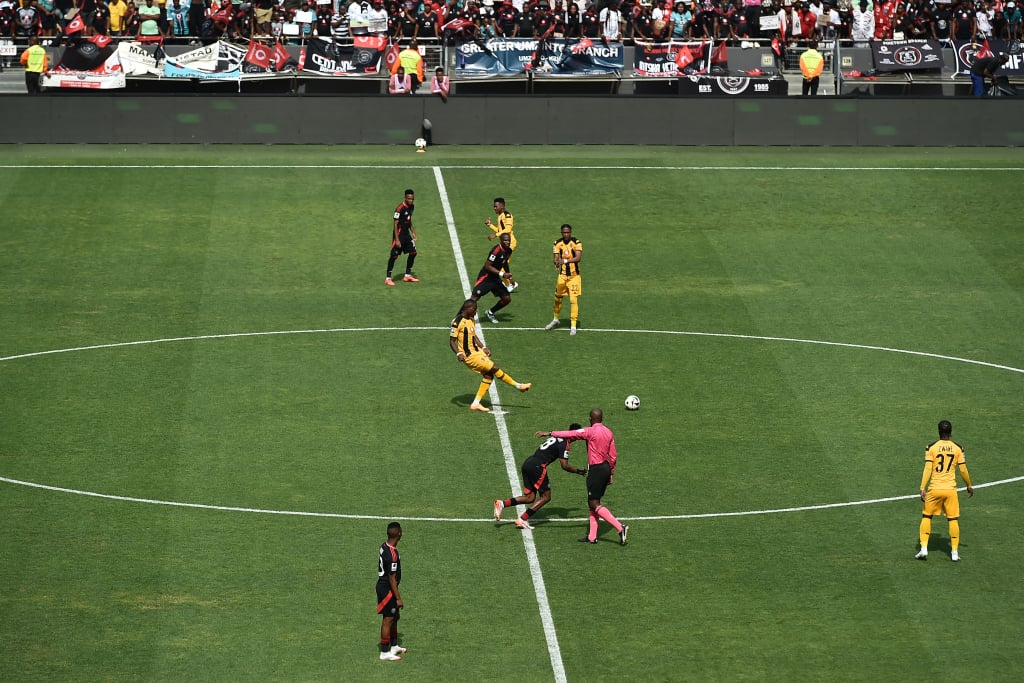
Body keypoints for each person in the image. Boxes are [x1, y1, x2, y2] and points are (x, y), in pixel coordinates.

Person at [537, 409, 627, 545]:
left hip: (596, 470)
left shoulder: (590, 431)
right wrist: (611, 473)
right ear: (602, 418)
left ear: (591, 419)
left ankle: (620, 528)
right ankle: (592, 536)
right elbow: (613, 456)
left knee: (594, 503)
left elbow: (571, 433)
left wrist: (550, 433)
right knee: (593, 501)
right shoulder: (609, 432)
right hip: (606, 469)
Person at [493, 424, 586, 529]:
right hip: (537, 467)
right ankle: (522, 519)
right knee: (546, 497)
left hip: (528, 463)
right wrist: (578, 471)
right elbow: (564, 466)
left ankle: (502, 504)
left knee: (530, 498)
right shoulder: (565, 444)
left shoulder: (557, 436)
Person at [450, 298, 531, 413]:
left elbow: (473, 335)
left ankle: (475, 403)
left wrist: (483, 347)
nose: (476, 312)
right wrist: (458, 353)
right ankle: (519, 386)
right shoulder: (457, 322)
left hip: (477, 351)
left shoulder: (471, 319)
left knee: (489, 376)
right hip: (469, 356)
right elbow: (451, 341)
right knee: (494, 368)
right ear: (468, 308)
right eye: (474, 309)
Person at [916, 420, 973, 562]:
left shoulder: (931, 447)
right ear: (951, 432)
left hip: (934, 489)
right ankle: (954, 552)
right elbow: (963, 470)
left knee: (927, 517)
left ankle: (923, 549)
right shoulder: (958, 448)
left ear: (938, 431)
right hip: (950, 490)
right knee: (953, 520)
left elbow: (928, 468)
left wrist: (922, 487)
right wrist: (969, 485)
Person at [376, 522, 408, 661]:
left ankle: (394, 645)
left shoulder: (385, 546)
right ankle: (384, 652)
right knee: (388, 619)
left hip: (387, 587)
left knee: (395, 616)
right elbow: (392, 578)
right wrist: (398, 597)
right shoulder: (392, 555)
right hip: (387, 589)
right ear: (399, 533)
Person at [544, 223, 581, 336]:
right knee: (557, 299)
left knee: (573, 300)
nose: (566, 234)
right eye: (564, 232)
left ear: (571, 232)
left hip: (574, 277)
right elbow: (555, 257)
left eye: (567, 232)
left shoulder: (576, 242)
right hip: (562, 276)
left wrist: (564, 261)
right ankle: (555, 319)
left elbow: (578, 258)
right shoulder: (557, 243)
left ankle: (573, 325)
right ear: (561, 233)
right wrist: (556, 262)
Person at [470, 232, 514, 324]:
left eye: (509, 240)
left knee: (506, 299)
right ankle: (458, 319)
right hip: (486, 277)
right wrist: (502, 274)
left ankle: (490, 312)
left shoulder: (509, 250)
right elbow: (488, 266)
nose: (508, 242)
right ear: (501, 241)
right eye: (505, 240)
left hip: (495, 278)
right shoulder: (496, 250)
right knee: (474, 298)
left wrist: (509, 277)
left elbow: (504, 262)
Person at [385, 188, 418, 286]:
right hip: (399, 235)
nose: (410, 200)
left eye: (412, 199)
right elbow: (395, 224)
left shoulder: (411, 207)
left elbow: (409, 220)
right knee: (394, 256)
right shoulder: (400, 208)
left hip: (406, 235)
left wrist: (413, 232)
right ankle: (388, 278)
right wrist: (397, 240)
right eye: (409, 198)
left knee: (413, 253)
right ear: (405, 198)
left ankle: (407, 275)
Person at [484, 196, 517, 292]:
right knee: (501, 264)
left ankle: (511, 284)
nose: (494, 208)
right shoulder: (500, 216)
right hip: (505, 244)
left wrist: (495, 235)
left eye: (496, 206)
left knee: (502, 265)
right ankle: (509, 284)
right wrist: (490, 225)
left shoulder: (507, 215)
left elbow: (508, 229)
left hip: (510, 243)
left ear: (502, 206)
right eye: (494, 206)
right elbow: (501, 230)